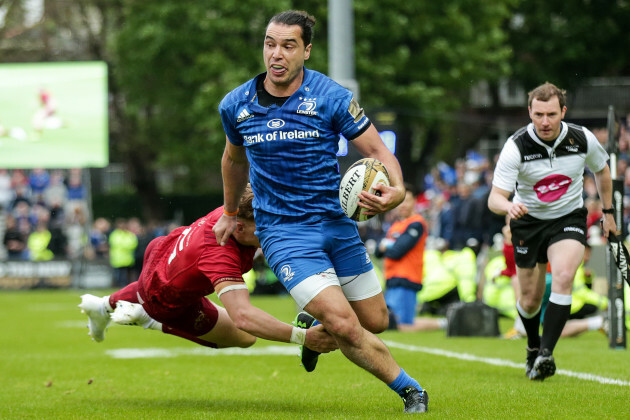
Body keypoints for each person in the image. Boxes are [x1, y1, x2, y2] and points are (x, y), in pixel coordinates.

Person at [213, 10, 428, 413]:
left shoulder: (331, 97)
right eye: (270, 44)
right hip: (284, 234)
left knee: (375, 320)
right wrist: (229, 211)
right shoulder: (235, 105)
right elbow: (232, 160)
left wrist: (396, 190)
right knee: (345, 324)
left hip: (335, 224)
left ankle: (312, 324)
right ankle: (410, 389)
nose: (276, 54)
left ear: (307, 51)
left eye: (288, 45)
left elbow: (378, 151)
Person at [78, 185, 336, 355]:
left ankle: (102, 306)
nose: (273, 229)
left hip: (163, 251)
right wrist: (303, 338)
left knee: (155, 284)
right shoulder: (220, 254)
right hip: (167, 299)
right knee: (245, 337)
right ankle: (146, 317)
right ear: (239, 228)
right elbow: (244, 316)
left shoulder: (232, 212)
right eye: (265, 225)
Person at [488, 82, 616, 381]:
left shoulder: (581, 138)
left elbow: (603, 170)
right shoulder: (516, 145)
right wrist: (508, 208)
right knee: (530, 300)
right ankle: (533, 347)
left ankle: (546, 353)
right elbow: (495, 198)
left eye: (551, 114)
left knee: (562, 277)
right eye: (538, 114)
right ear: (529, 112)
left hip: (567, 217)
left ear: (563, 112)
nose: (545, 122)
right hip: (527, 222)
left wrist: (608, 213)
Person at [375, 184, 428, 331]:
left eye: (407, 200)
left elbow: (397, 251)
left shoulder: (417, 223)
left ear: (414, 202)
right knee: (392, 323)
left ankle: (444, 324)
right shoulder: (395, 226)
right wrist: (388, 247)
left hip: (407, 278)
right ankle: (444, 324)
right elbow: (378, 252)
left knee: (403, 325)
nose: (403, 205)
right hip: (392, 278)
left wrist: (387, 247)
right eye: (401, 201)